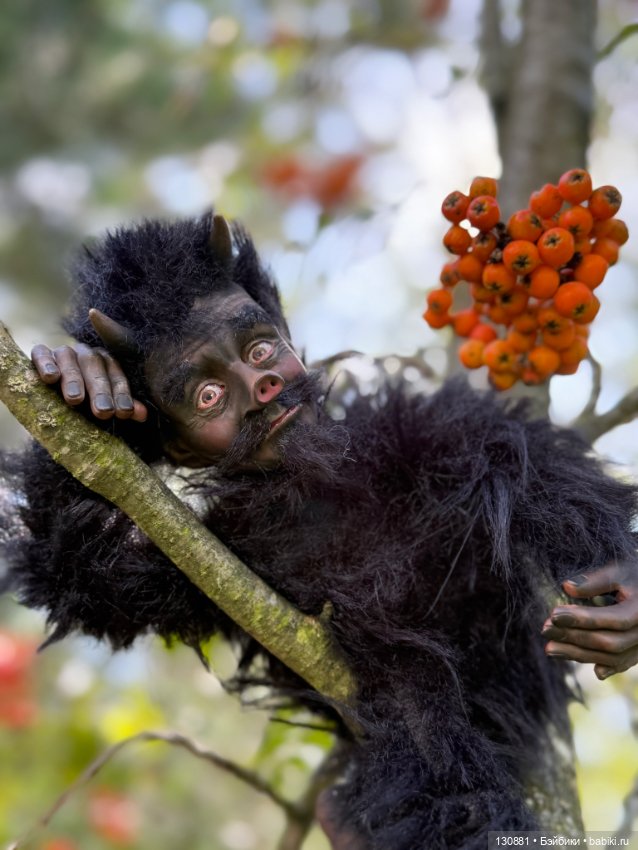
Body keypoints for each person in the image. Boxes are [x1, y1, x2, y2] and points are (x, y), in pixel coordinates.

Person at [2, 212, 638, 849]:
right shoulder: (224, 553)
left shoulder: (415, 437)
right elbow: (78, 582)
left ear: (287, 335)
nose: (259, 384)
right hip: (415, 762)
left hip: (503, 685)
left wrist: (622, 561)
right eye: (205, 396)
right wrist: (74, 433)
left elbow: (534, 472)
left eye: (258, 348)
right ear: (179, 447)